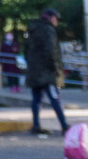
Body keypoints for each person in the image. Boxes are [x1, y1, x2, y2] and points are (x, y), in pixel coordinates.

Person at [22, 8, 68, 136]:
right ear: (52, 18)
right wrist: (56, 70)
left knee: (36, 99)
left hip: (34, 71)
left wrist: (32, 64)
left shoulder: (32, 30)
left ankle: (36, 125)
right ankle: (64, 125)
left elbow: (25, 51)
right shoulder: (48, 30)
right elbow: (51, 51)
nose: (57, 21)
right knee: (55, 98)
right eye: (56, 19)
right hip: (47, 72)